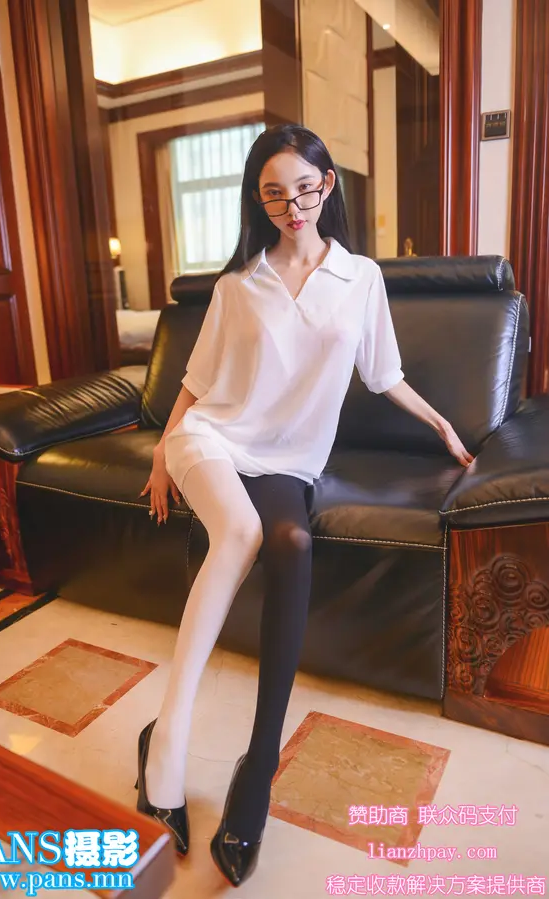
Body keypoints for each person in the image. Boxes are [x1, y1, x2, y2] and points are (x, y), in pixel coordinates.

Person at [137, 123, 474, 886]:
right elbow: (196, 382)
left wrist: (443, 424)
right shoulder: (238, 284)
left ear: (328, 185)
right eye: (274, 194)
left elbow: (383, 372)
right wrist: (163, 449)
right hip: (212, 441)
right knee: (240, 532)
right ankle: (167, 748)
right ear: (257, 201)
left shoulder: (360, 278)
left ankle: (257, 768)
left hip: (287, 460)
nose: (292, 207)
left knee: (289, 539)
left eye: (305, 189)